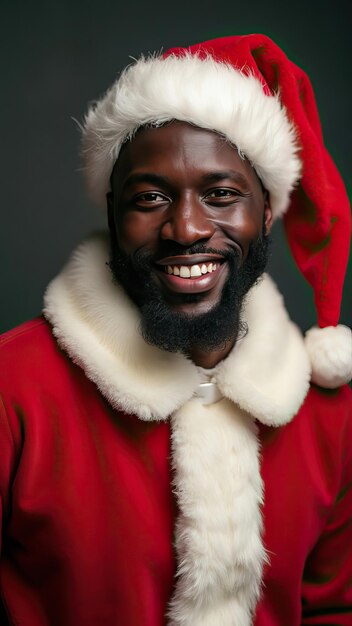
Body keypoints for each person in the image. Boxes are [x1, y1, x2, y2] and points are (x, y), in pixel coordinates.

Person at [0, 33, 351, 626]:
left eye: (220, 194)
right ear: (113, 212)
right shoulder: (13, 386)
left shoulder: (331, 412)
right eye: (151, 197)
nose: (186, 227)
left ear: (265, 211)